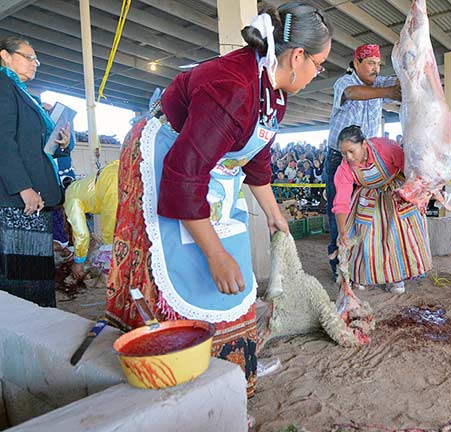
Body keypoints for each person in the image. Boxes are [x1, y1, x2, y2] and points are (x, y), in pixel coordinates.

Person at [105, 2, 332, 397]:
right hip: (168, 160)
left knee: (234, 252)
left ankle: (235, 363)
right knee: (196, 260)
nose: (318, 74)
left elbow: (256, 159)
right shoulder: (234, 87)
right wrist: (215, 255)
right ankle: (188, 367)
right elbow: (183, 176)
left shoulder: (274, 94)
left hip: (213, 173)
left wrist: (274, 216)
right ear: (297, 57)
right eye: (320, 64)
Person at [325, 43, 402, 280]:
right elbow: (353, 94)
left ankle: (361, 266)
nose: (376, 69)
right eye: (370, 63)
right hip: (341, 157)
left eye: (378, 64)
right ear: (356, 62)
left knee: (366, 211)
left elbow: (401, 80)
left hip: (368, 157)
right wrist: (389, 92)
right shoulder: (345, 83)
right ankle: (340, 266)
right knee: (339, 209)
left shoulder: (379, 83)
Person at [0, 36, 64, 307]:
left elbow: (41, 149)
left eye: (36, 59)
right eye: (29, 57)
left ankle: (39, 327)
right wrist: (23, 186)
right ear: (5, 55)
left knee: (35, 273)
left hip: (34, 197)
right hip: (18, 199)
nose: (35, 64)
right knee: (22, 274)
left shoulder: (26, 95)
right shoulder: (3, 86)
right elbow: (2, 139)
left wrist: (62, 140)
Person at [333, 125, 431, 294]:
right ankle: (364, 275)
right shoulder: (343, 169)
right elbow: (341, 202)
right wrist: (342, 231)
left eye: (351, 151)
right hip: (367, 195)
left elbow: (409, 169)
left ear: (364, 144)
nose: (348, 157)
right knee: (363, 234)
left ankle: (397, 278)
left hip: (394, 190)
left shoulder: (386, 148)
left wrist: (417, 193)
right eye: (343, 153)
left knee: (396, 233)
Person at [64, 160, 119, 280]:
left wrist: (78, 261)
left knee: (110, 243)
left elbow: (82, 234)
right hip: (120, 169)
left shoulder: (70, 198)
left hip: (111, 183)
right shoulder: (79, 185)